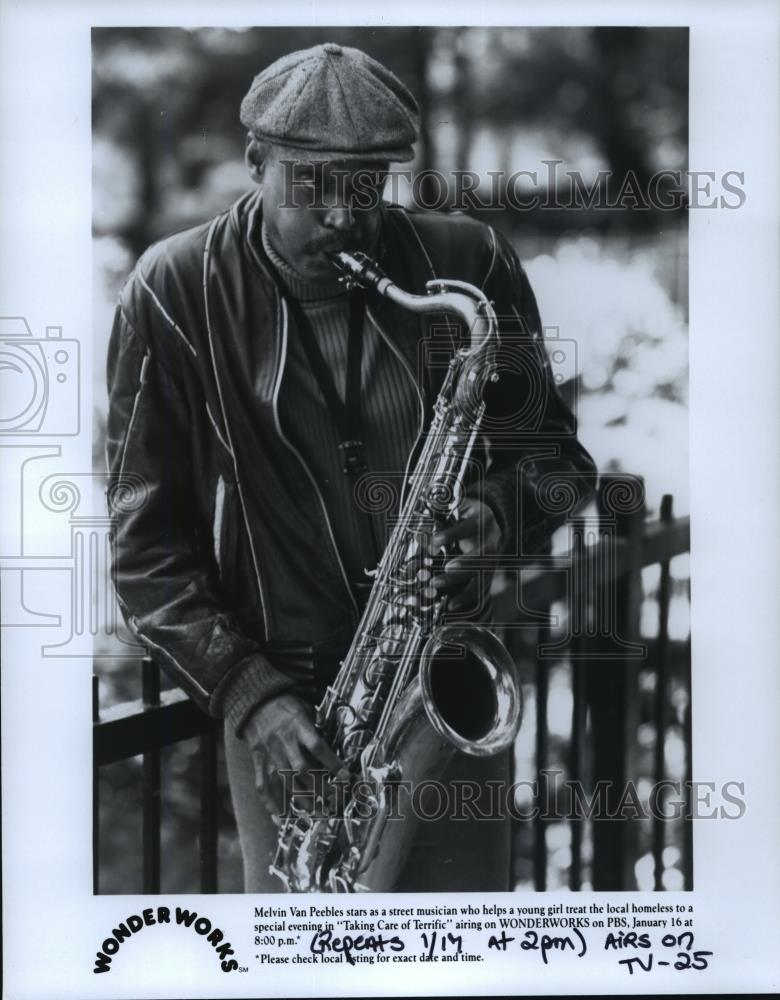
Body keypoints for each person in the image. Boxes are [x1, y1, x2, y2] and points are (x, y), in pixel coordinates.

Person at [105, 42, 596, 892]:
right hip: (291, 718)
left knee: (463, 964)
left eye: (366, 183)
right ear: (255, 163)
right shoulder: (172, 291)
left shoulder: (468, 263)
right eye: (313, 182)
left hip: (440, 682)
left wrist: (495, 514)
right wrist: (247, 692)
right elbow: (143, 547)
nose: (343, 213)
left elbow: (561, 461)